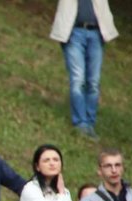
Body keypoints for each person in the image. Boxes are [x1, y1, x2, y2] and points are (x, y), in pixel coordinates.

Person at [49, 0, 115, 137]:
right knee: (78, 79)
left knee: (93, 82)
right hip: (74, 31)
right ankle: (81, 123)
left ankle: (90, 123)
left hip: (96, 33)